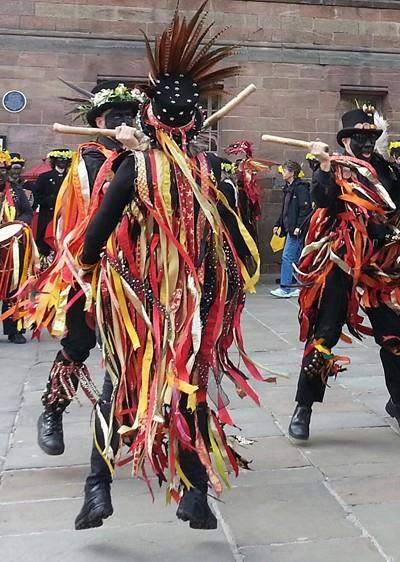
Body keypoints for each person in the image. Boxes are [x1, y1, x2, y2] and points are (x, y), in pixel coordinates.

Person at [72, 2, 263, 530]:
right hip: (196, 307)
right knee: (193, 387)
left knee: (120, 387)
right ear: (196, 122)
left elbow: (96, 235)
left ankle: (97, 488)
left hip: (140, 302)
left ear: (150, 118)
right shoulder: (215, 169)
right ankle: (195, 494)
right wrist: (232, 286)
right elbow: (240, 243)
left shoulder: (135, 167)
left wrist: (90, 268)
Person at [293, 105, 400, 442]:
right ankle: (304, 407)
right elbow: (322, 200)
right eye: (360, 137)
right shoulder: (334, 168)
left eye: (371, 137)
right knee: (324, 333)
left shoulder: (388, 172)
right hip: (342, 261)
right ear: (346, 140)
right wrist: (322, 164)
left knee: (393, 335)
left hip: (380, 266)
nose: (367, 143)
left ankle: (399, 403)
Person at [33, 80, 144, 457]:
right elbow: (106, 196)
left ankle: (115, 428)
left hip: (133, 273)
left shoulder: (142, 155)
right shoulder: (90, 158)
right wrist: (135, 152)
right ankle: (52, 409)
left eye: (132, 115)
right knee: (78, 343)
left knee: (127, 350)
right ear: (98, 121)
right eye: (117, 116)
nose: (127, 121)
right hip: (89, 269)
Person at [0, 150, 34, 344]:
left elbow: (27, 213)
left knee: (13, 288)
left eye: (3, 170)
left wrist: (17, 225)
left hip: (11, 248)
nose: (1, 174)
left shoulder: (16, 191)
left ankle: (14, 331)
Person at [270, 159, 311, 298]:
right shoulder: (288, 188)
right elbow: (285, 210)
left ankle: (285, 287)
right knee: (297, 258)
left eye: (285, 170)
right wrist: (278, 224)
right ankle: (300, 287)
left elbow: (305, 209)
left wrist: (299, 226)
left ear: (292, 172)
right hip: (290, 228)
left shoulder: (300, 188)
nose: (283, 173)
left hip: (296, 230)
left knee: (287, 256)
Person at [31, 149, 73, 258]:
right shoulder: (44, 177)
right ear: (54, 161)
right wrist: (50, 200)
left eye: (65, 159)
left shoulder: (72, 177)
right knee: (45, 244)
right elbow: (37, 196)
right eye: (60, 159)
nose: (62, 162)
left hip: (65, 216)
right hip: (48, 216)